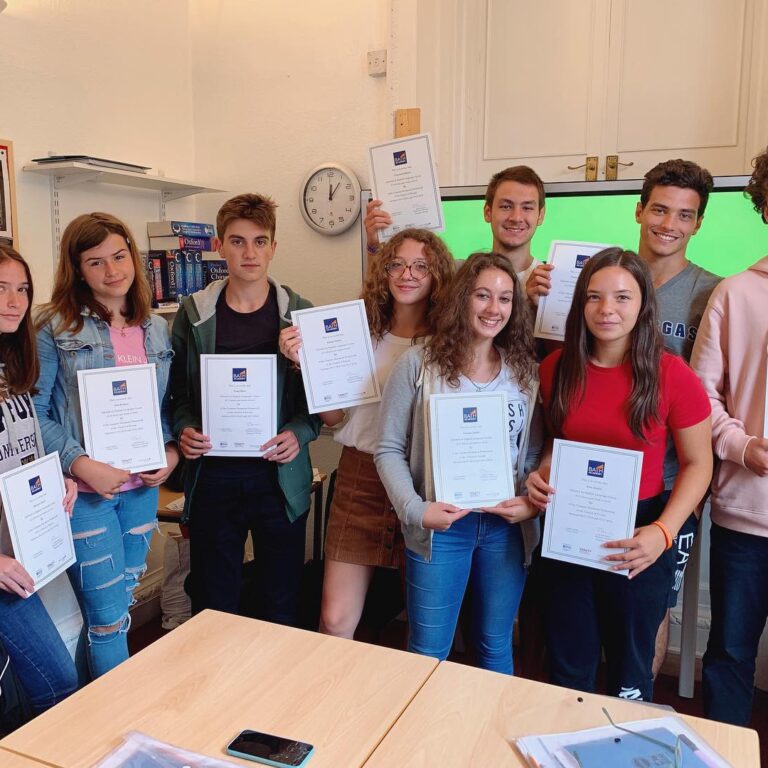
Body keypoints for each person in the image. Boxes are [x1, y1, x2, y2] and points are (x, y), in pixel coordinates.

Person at [526, 160, 721, 671]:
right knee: (568, 660)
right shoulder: (555, 370)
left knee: (633, 664)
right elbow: (556, 443)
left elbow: (700, 461)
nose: (607, 308)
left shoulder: (675, 369)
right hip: (570, 524)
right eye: (594, 297)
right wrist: (541, 477)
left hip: (652, 513)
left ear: (642, 306)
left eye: (621, 298)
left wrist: (663, 530)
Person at [279, 229, 454, 639]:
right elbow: (335, 419)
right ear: (384, 271)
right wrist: (309, 368)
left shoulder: (449, 342)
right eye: (396, 264)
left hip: (422, 483)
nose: (407, 274)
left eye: (420, 266)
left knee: (424, 623)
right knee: (335, 620)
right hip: (360, 478)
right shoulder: (358, 332)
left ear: (437, 275)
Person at [375, 252, 541, 674]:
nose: (493, 308)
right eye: (482, 295)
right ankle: (422, 740)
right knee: (429, 653)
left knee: (495, 646)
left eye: (505, 299)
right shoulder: (418, 365)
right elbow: (388, 449)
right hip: (441, 530)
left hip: (505, 529)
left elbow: (535, 453)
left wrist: (530, 503)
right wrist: (416, 511)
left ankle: (483, 738)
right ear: (460, 298)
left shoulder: (525, 373)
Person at [34, 213, 178, 679]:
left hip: (140, 490)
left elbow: (165, 408)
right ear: (77, 270)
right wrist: (81, 463)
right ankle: (116, 727)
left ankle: (91, 712)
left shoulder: (155, 328)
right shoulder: (54, 327)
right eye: (95, 262)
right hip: (87, 496)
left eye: (119, 257)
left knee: (118, 609)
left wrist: (169, 453)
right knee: (108, 619)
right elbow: (32, 414)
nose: (112, 271)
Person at [170, 193, 321, 625]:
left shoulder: (300, 313)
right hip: (214, 477)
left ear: (274, 247)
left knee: (280, 599)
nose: (249, 253)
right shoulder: (194, 314)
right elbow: (177, 395)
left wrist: (299, 433)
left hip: (279, 478)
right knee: (213, 603)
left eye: (259, 241)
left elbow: (320, 406)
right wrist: (184, 427)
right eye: (237, 241)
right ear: (219, 245)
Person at [692, 146, 768, 726]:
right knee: (731, 655)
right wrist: (743, 447)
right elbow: (703, 397)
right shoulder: (736, 294)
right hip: (749, 516)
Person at [0, 243, 78, 716]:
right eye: (1, 289)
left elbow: (22, 453)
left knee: (53, 683)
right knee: (56, 682)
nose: (14, 301)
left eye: (22, 289)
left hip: (19, 559)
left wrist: (58, 479)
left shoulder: (14, 369)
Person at [365, 165, 546, 285]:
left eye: (527, 207)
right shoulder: (458, 273)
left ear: (541, 215)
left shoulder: (550, 281)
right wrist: (374, 244)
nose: (516, 217)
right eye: (506, 206)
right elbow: (387, 290)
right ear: (488, 212)